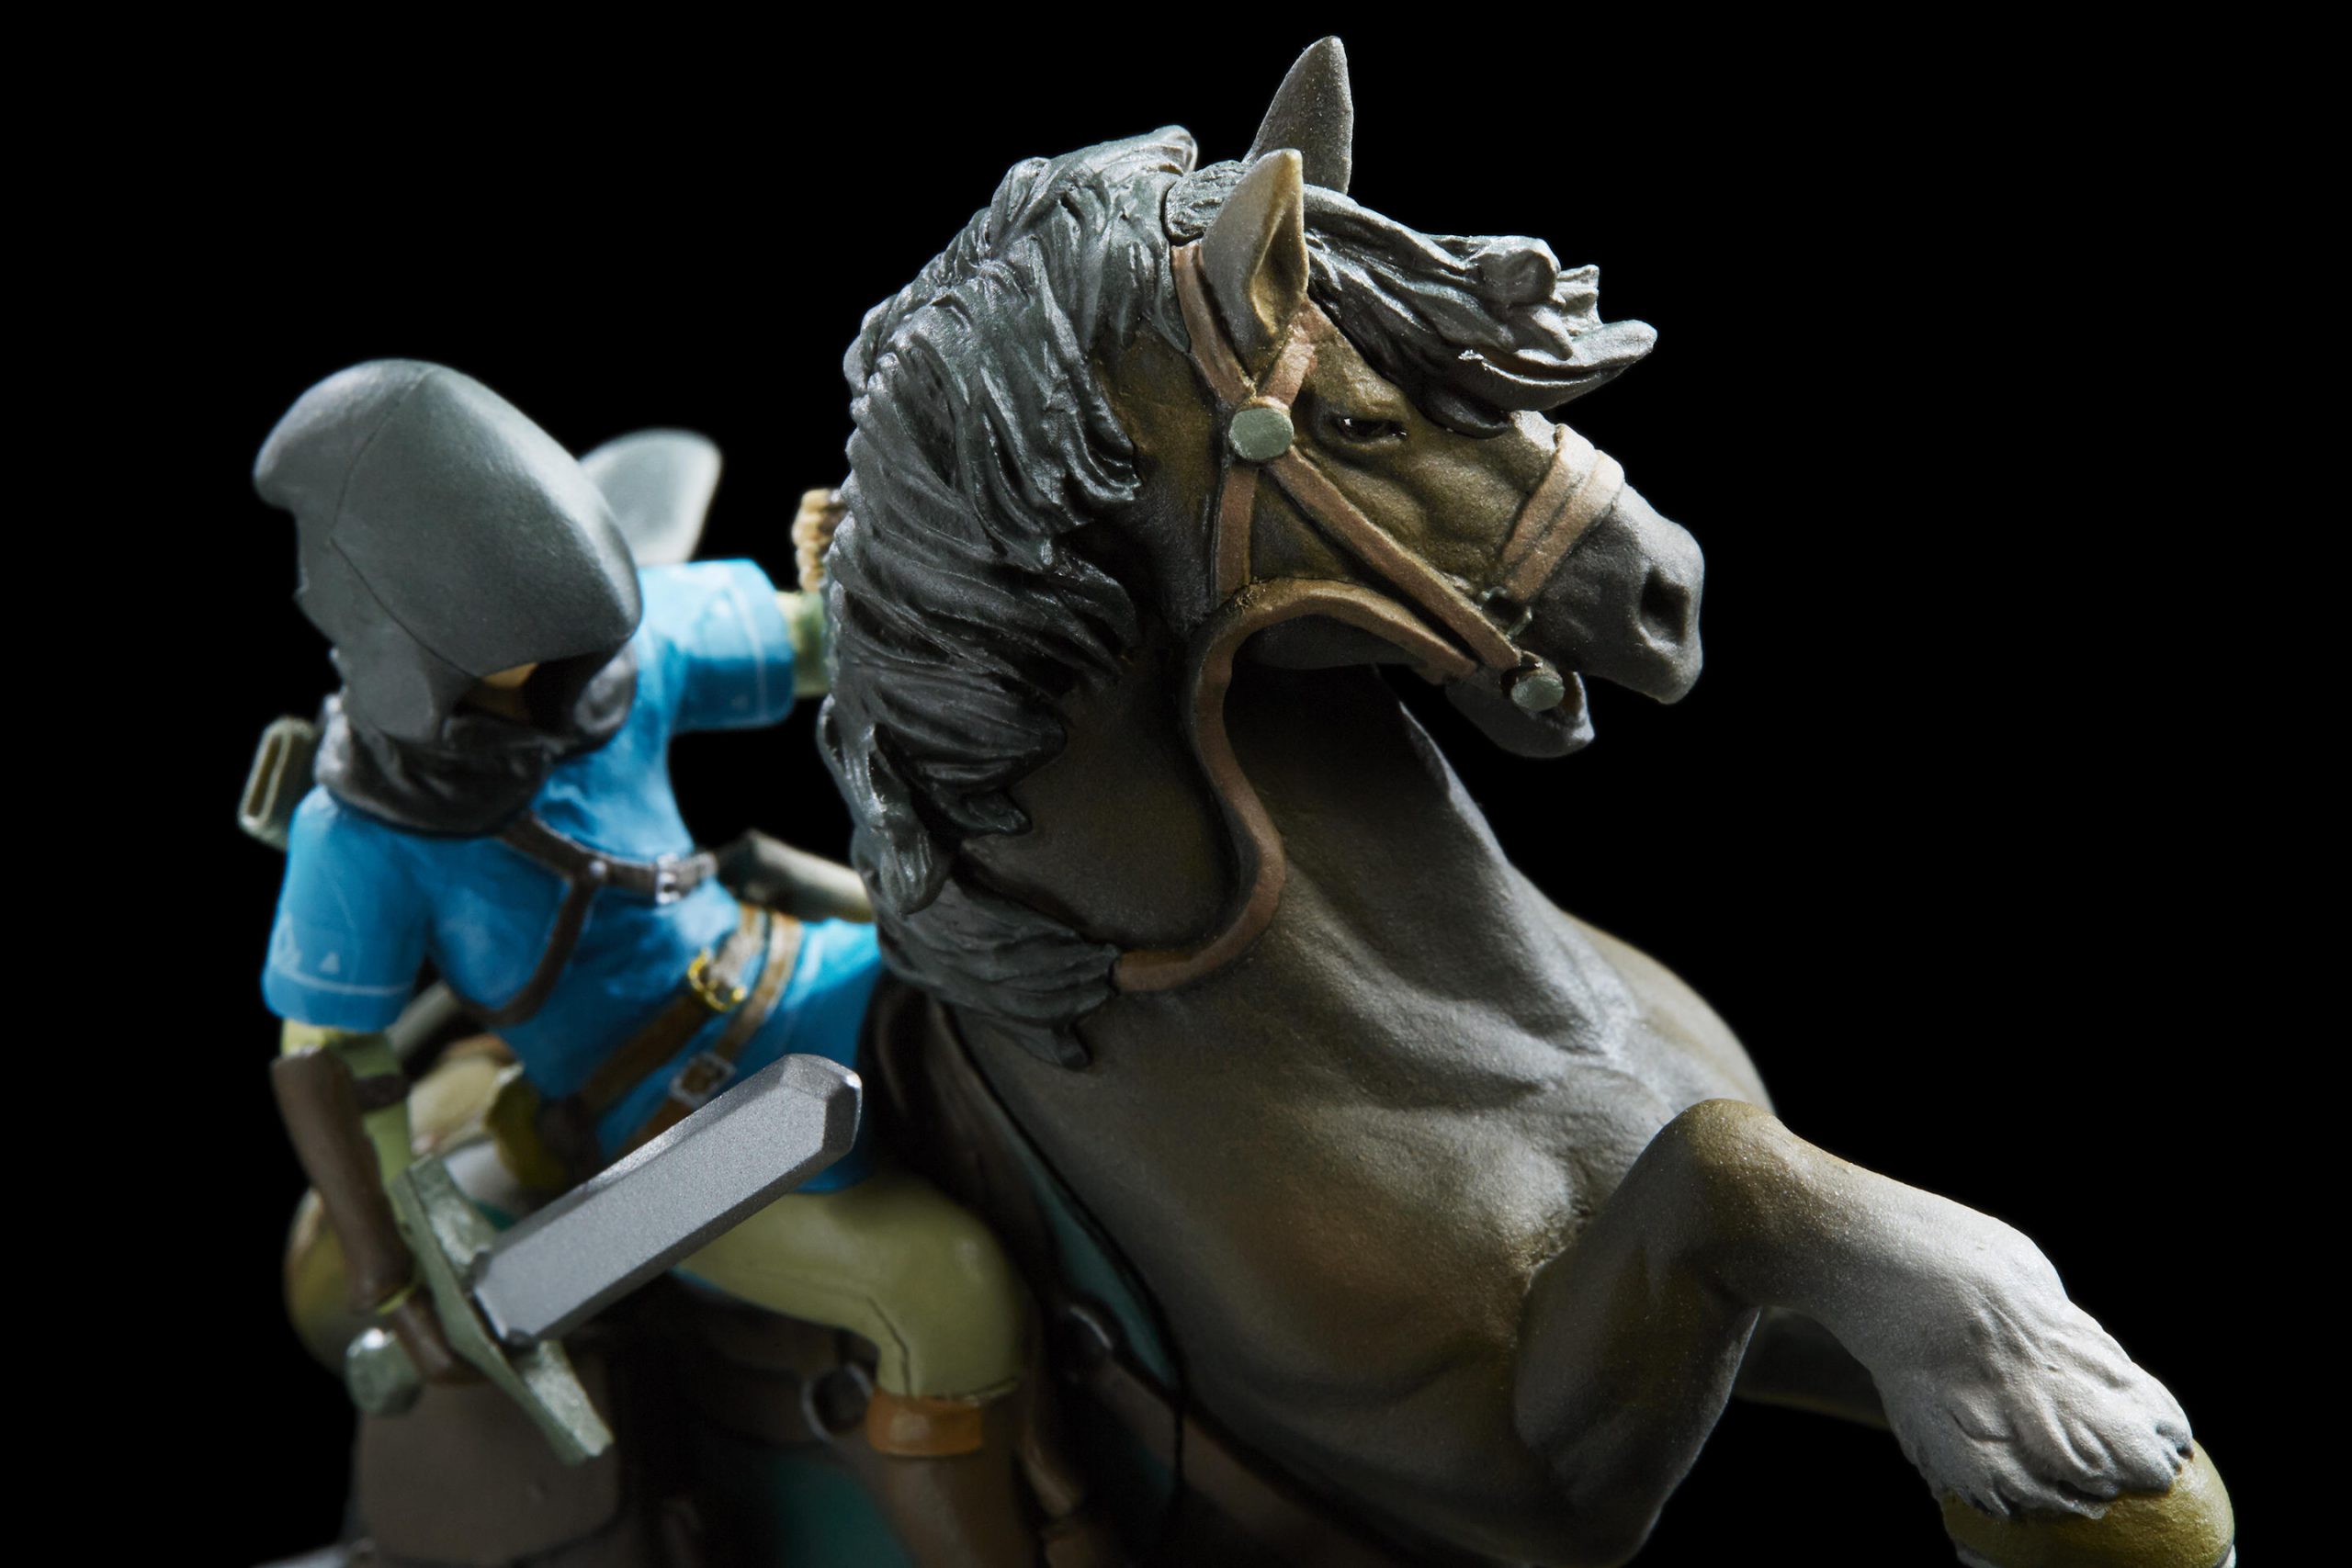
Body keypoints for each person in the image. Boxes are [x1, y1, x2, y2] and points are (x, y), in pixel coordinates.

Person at [255, 360, 1041, 1565]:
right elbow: (333, 1067)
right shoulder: (359, 838)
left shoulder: (617, 644)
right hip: (663, 1140)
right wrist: (394, 1280)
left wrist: (886, 570)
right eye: (528, 656)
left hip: (813, 970)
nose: (579, 677)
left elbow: (823, 645)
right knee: (944, 1290)